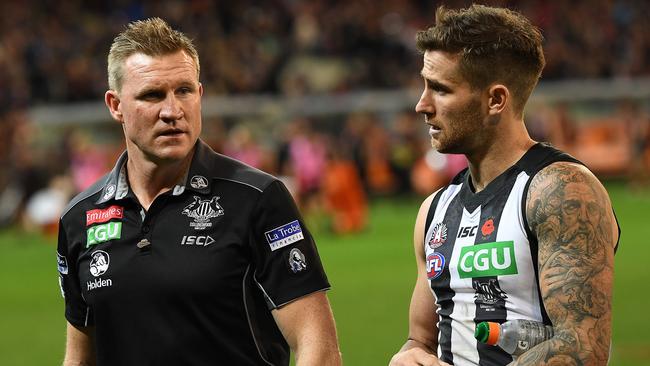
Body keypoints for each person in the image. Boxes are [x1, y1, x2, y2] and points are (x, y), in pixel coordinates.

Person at [56, 18, 341, 366]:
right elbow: (80, 358)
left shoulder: (257, 199)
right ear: (115, 106)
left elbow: (318, 347)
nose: (172, 111)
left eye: (184, 91)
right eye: (152, 95)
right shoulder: (79, 219)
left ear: (200, 95)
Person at [389, 5, 619, 366]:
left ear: (495, 100)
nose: (422, 105)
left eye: (440, 89)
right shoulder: (435, 210)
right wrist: (409, 356)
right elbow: (420, 338)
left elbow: (582, 348)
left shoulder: (560, 191)